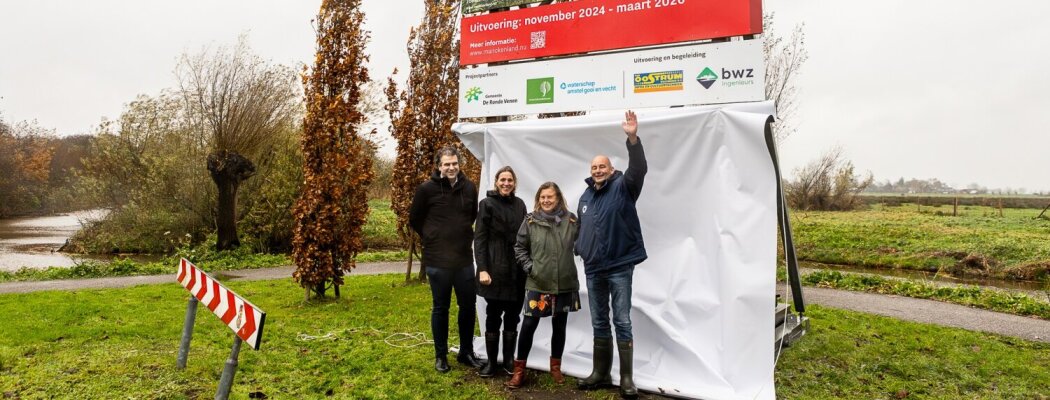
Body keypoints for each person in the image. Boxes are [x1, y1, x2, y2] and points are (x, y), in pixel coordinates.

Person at [575, 110, 647, 398]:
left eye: (602, 166)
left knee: (622, 320)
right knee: (598, 321)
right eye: (594, 167)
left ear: (611, 168)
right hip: (593, 268)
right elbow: (581, 226)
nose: (597, 170)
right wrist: (579, 248)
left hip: (619, 266)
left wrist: (632, 138)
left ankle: (626, 378)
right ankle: (600, 373)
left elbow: (639, 169)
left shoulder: (624, 186)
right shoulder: (585, 196)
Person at [409, 145, 483, 373]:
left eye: (454, 164)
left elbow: (472, 216)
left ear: (459, 165)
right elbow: (415, 219)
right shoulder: (426, 190)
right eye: (446, 164)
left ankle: (466, 352)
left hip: (463, 260)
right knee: (440, 308)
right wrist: (431, 238)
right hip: (437, 261)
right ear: (439, 166)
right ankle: (441, 356)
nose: (451, 168)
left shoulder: (470, 188)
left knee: (468, 307)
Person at [506, 182, 581, 389]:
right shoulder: (530, 221)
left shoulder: (571, 220)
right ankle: (519, 370)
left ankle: (555, 367)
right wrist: (531, 269)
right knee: (529, 326)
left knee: (560, 326)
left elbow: (584, 242)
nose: (546, 201)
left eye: (550, 197)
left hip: (565, 283)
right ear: (538, 199)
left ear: (558, 198)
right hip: (538, 283)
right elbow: (519, 247)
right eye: (542, 197)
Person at [473, 166, 528, 377]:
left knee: (513, 317)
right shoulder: (486, 204)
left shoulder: (520, 204)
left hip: (516, 270)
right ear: (496, 182)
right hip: (494, 269)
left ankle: (507, 361)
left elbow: (525, 237)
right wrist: (483, 269)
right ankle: (491, 363)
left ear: (514, 183)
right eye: (502, 179)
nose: (506, 183)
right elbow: (480, 239)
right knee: (493, 316)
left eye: (510, 180)